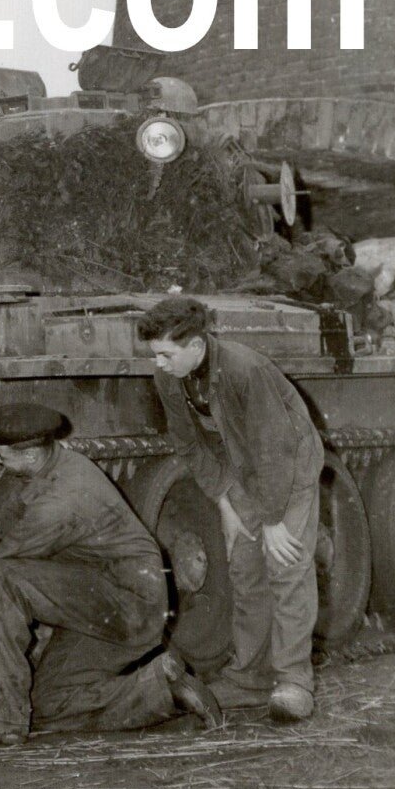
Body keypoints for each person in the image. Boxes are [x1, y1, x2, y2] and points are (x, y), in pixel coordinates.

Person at [0, 402, 221, 743]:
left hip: (130, 607)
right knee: (47, 705)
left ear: (32, 454)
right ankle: (163, 688)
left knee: (3, 579)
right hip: (100, 598)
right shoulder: (57, 466)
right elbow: (0, 524)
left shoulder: (62, 503)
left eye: (2, 455)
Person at [136, 293, 324, 723]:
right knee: (244, 568)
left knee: (286, 566)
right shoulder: (169, 377)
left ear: (196, 347)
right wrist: (224, 499)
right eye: (155, 355)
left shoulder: (245, 369)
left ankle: (295, 681)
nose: (159, 363)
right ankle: (249, 679)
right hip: (239, 469)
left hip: (289, 467)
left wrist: (273, 520)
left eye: (166, 353)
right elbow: (186, 442)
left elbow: (275, 450)